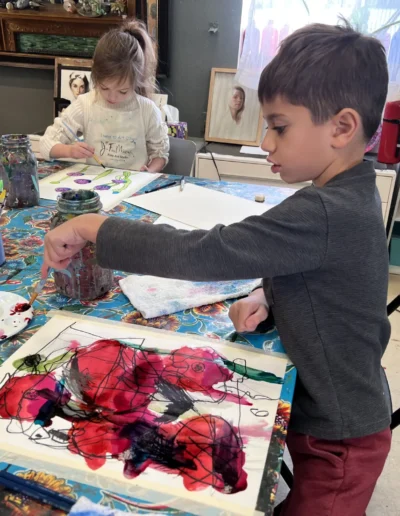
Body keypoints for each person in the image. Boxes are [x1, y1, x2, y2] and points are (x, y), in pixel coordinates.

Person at [42, 22, 392, 515]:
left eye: (279, 126)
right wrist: (268, 294)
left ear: (341, 127)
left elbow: (204, 253)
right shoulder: (345, 194)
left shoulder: (324, 211)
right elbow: (323, 274)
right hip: (326, 406)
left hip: (339, 437)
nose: (266, 142)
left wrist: (95, 227)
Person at [40, 20, 169, 172]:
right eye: (104, 88)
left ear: (137, 81)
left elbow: (160, 153)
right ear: (95, 76)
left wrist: (149, 172)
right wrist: (69, 151)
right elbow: (45, 144)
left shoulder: (147, 110)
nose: (112, 97)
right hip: (95, 188)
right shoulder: (86, 104)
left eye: (123, 91)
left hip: (133, 189)